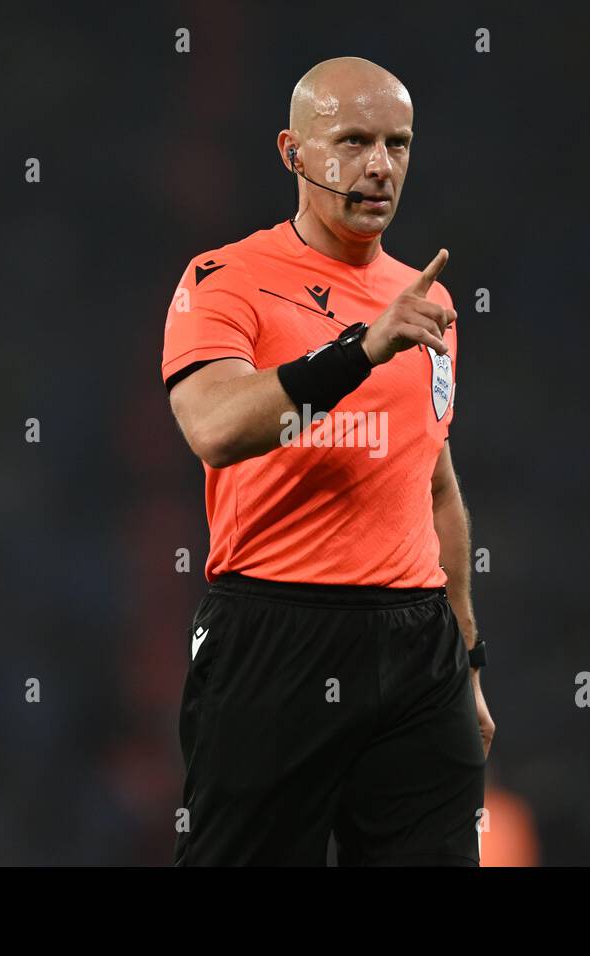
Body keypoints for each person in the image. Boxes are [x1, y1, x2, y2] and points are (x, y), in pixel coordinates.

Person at [162, 56, 494, 866]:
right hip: (276, 638)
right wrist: (359, 350)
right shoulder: (224, 279)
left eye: (398, 143)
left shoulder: (429, 301)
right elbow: (213, 426)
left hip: (420, 653)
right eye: (353, 140)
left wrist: (469, 660)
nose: (380, 166)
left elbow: (436, 486)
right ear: (294, 152)